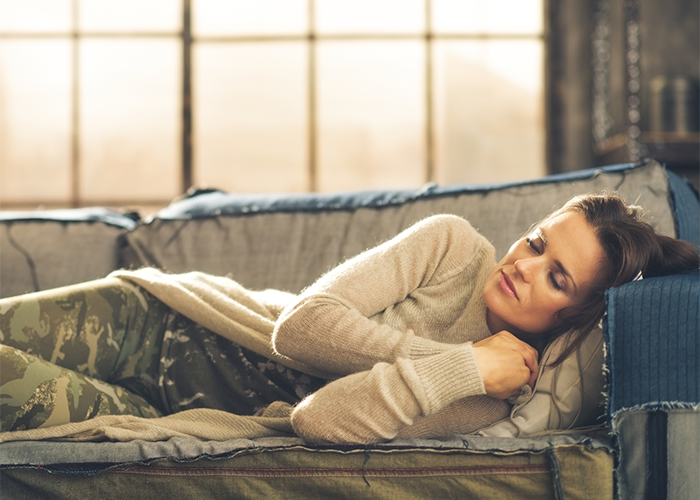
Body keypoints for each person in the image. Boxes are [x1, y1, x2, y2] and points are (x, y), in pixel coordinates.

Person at [0, 193, 698, 444]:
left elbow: (316, 420)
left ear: (577, 313)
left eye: (555, 275)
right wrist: (445, 357)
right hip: (154, 318)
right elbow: (299, 327)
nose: (523, 264)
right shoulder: (455, 246)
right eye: (537, 242)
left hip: (155, 412)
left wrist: (462, 370)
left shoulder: (489, 393)